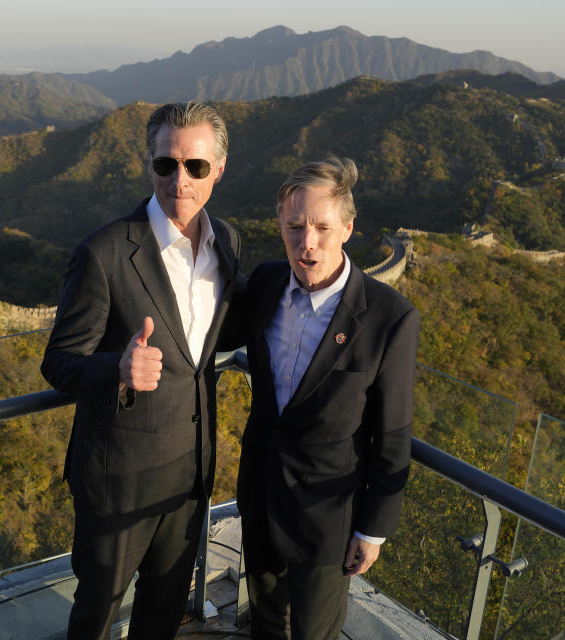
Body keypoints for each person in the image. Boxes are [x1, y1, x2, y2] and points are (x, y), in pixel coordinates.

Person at [40, 101, 241, 639]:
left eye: (196, 166)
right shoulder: (103, 254)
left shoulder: (226, 243)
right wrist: (119, 369)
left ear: (218, 170)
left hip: (189, 474)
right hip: (117, 480)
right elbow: (59, 361)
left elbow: (209, 341)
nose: (181, 179)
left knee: (164, 609)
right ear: (148, 164)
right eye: (166, 164)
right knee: (96, 614)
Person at [225, 156, 419, 640]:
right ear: (280, 226)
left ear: (348, 228)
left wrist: (373, 529)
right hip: (261, 494)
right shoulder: (268, 284)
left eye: (321, 228)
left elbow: (393, 433)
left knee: (315, 632)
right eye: (294, 227)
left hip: (329, 515)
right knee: (265, 624)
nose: (306, 243)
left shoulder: (388, 316)